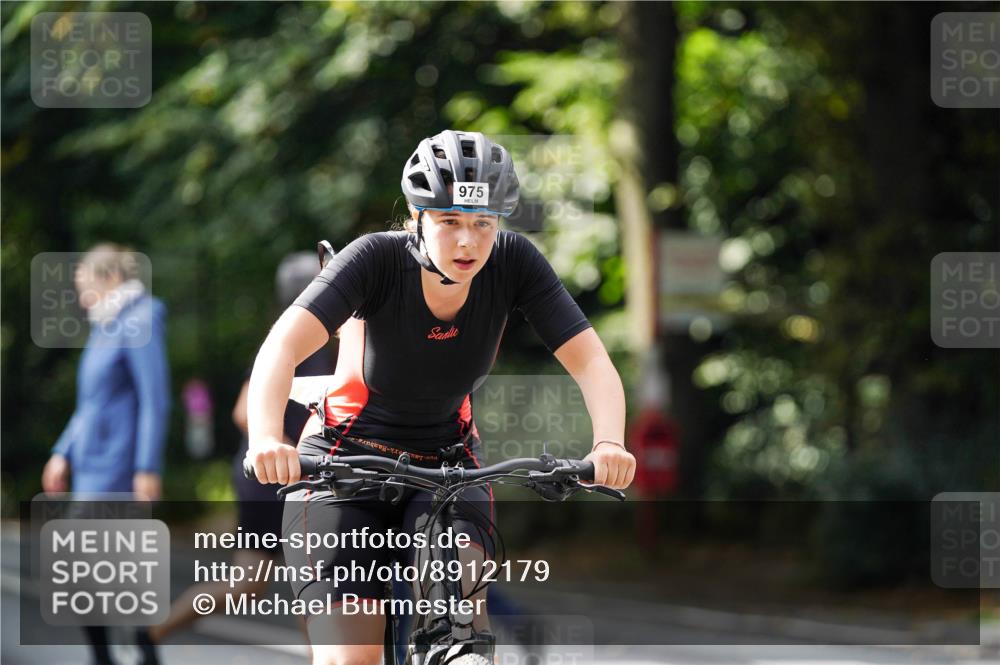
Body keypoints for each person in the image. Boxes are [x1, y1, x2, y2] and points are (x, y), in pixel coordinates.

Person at [246, 130, 636, 665]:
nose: (469, 243)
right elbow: (280, 348)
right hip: (341, 470)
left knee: (463, 643)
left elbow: (591, 360)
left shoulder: (513, 263)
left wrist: (609, 443)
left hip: (449, 469)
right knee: (351, 658)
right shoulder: (374, 260)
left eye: (483, 224)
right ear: (417, 215)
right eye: (449, 222)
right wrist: (267, 437)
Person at [145, 251, 335, 652]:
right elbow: (242, 411)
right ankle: (152, 633)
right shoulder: (295, 339)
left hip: (284, 477)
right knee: (309, 580)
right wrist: (286, 449)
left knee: (252, 583)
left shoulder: (325, 338)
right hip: (272, 479)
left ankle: (151, 634)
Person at [41, 243, 171, 665]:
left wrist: (147, 467)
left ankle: (126, 655)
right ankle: (119, 655)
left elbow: (155, 399)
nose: (81, 298)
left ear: (111, 278)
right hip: (91, 468)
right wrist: (62, 452)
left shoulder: (140, 318)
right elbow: (90, 404)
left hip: (120, 467)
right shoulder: (106, 325)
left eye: (85, 286)